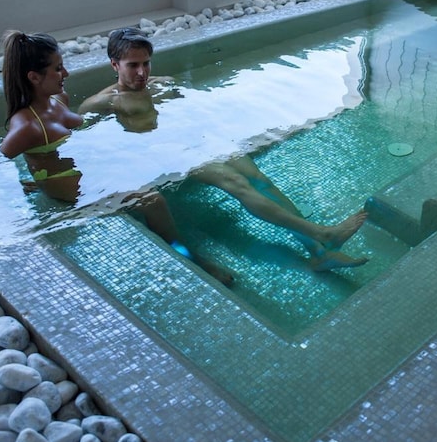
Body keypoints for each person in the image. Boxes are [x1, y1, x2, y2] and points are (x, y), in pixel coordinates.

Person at [79, 27, 369, 271]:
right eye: (133, 65)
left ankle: (318, 252)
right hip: (168, 156)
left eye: (146, 63)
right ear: (114, 65)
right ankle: (323, 234)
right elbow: (89, 149)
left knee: (259, 179)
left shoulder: (164, 85)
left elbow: (194, 115)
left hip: (194, 143)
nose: (142, 72)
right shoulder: (102, 104)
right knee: (237, 182)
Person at [0, 30, 234, 285]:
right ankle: (193, 260)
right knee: (153, 200)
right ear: (34, 77)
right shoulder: (26, 126)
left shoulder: (58, 100)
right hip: (71, 187)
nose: (65, 73)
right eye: (57, 69)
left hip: (83, 168)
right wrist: (33, 183)